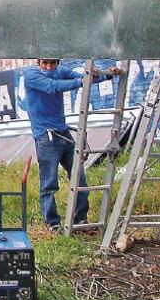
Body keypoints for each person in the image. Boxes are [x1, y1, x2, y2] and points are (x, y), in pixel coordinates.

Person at [24, 58, 124, 232]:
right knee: (49, 183)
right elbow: (52, 86)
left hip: (62, 133)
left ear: (58, 63)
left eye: (53, 63)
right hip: (46, 136)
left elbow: (85, 77)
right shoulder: (32, 75)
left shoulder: (60, 71)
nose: (49, 67)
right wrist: (82, 82)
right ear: (38, 62)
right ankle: (52, 223)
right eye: (45, 63)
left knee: (80, 178)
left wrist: (106, 75)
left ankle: (80, 220)